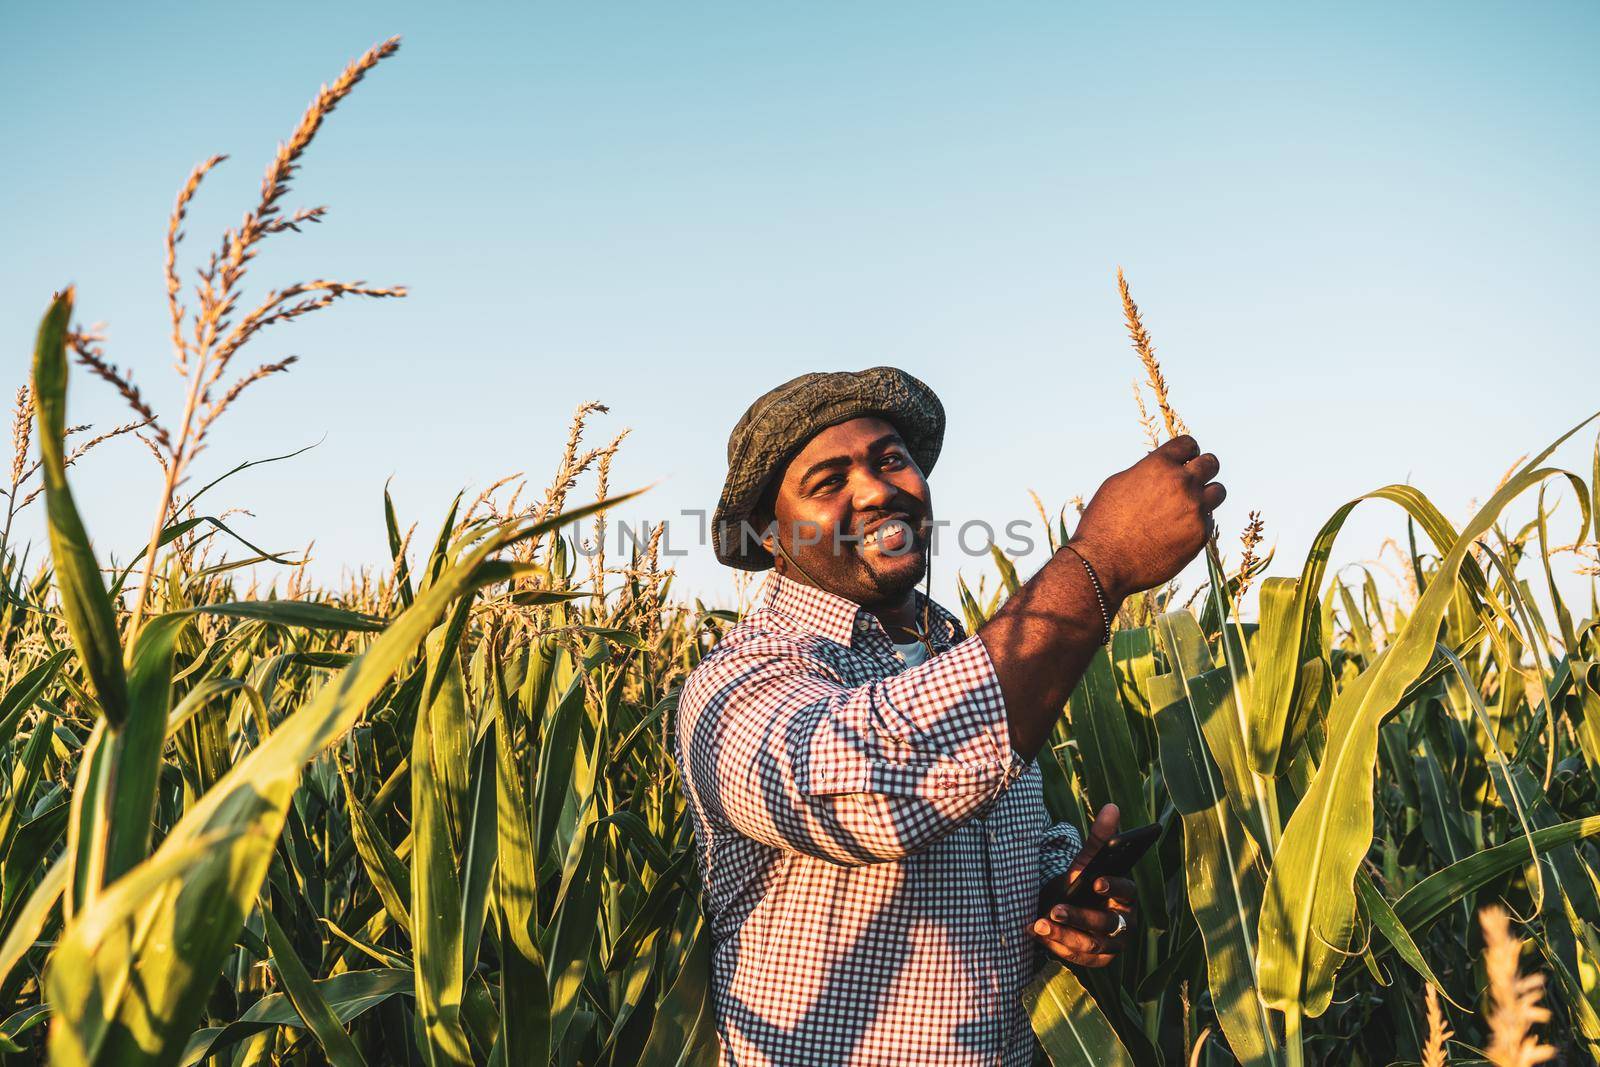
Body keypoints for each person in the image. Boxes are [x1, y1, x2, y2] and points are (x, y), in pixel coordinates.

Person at [675, 367, 1224, 1065]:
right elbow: (877, 791)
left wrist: (1060, 894)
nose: (876, 490)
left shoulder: (963, 655)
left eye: (891, 459)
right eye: (829, 481)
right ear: (768, 531)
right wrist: (1101, 563)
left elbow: (988, 832)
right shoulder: (735, 684)